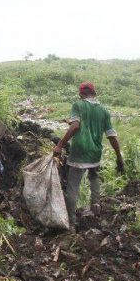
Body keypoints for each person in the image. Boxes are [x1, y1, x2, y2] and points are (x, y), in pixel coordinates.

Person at [53, 82, 124, 228]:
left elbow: (75, 126)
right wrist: (119, 157)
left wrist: (60, 145)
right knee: (94, 177)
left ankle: (71, 223)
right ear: (94, 93)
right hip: (95, 153)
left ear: (81, 94)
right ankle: (95, 209)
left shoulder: (78, 105)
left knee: (73, 186)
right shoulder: (104, 111)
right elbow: (111, 135)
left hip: (79, 151)